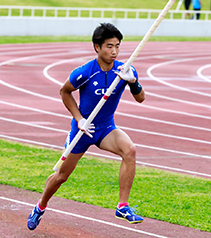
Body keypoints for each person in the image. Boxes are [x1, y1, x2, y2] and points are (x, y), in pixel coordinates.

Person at [27, 22, 145, 230]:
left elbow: (141, 99)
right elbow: (64, 92)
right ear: (97, 47)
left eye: (117, 46)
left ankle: (122, 206)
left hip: (106, 128)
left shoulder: (125, 69)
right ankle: (40, 207)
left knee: (130, 150)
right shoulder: (85, 72)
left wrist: (133, 82)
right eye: (109, 46)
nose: (114, 51)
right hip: (83, 131)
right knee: (61, 176)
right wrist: (79, 119)